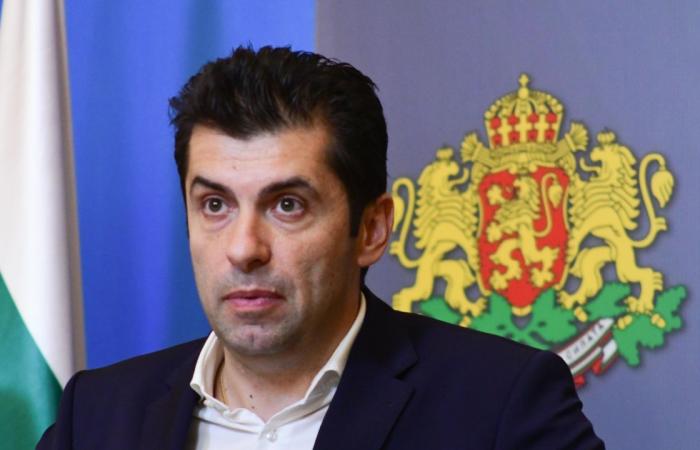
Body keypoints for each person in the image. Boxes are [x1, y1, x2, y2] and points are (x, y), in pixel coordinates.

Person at [37, 46, 604, 449]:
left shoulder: (501, 405)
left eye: (287, 205)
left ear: (372, 229)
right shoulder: (96, 416)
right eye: (215, 205)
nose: (243, 248)